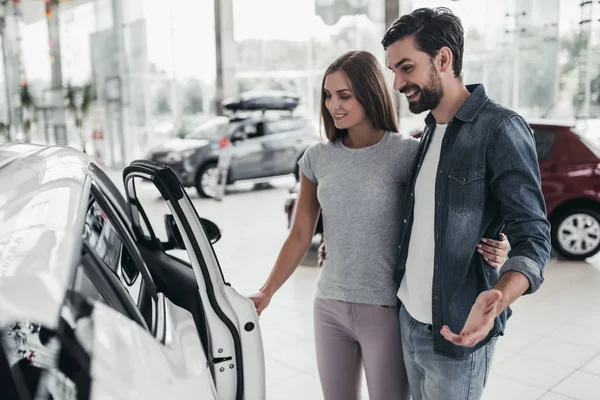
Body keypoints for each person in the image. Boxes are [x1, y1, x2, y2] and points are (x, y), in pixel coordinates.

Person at [249, 50, 510, 400]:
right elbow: (299, 235)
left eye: (345, 95)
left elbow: (442, 217)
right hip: (329, 305)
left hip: (385, 309)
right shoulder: (316, 158)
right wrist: (267, 291)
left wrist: (496, 243)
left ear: (370, 93)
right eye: (327, 95)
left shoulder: (407, 153)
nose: (333, 105)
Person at [379, 7, 551, 400]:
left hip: (457, 330)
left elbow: (534, 235)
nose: (397, 83)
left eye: (406, 68)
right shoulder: (427, 133)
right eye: (393, 70)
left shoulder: (500, 128)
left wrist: (500, 295)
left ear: (443, 59)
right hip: (409, 317)